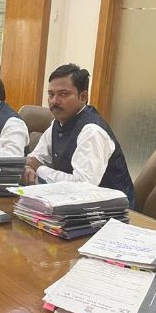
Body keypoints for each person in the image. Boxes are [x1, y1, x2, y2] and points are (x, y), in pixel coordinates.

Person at [24, 63, 135, 206]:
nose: (54, 101)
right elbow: (34, 159)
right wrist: (29, 168)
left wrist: (39, 169)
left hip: (112, 211)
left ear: (83, 97)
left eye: (63, 94)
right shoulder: (57, 123)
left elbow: (83, 187)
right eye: (51, 94)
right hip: (72, 205)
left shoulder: (92, 131)